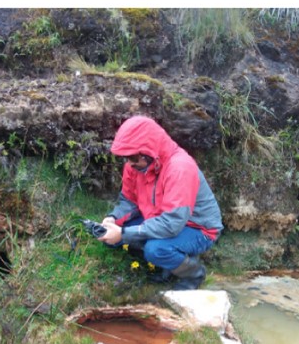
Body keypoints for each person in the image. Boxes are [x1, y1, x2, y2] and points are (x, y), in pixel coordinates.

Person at [95, 116, 222, 290]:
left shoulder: (180, 168)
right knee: (109, 234)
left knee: (155, 249)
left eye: (133, 157)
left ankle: (194, 273)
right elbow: (129, 201)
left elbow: (172, 224)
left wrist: (124, 233)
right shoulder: (135, 166)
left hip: (197, 228)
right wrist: (113, 219)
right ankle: (166, 265)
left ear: (148, 151)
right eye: (126, 158)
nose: (129, 164)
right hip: (160, 218)